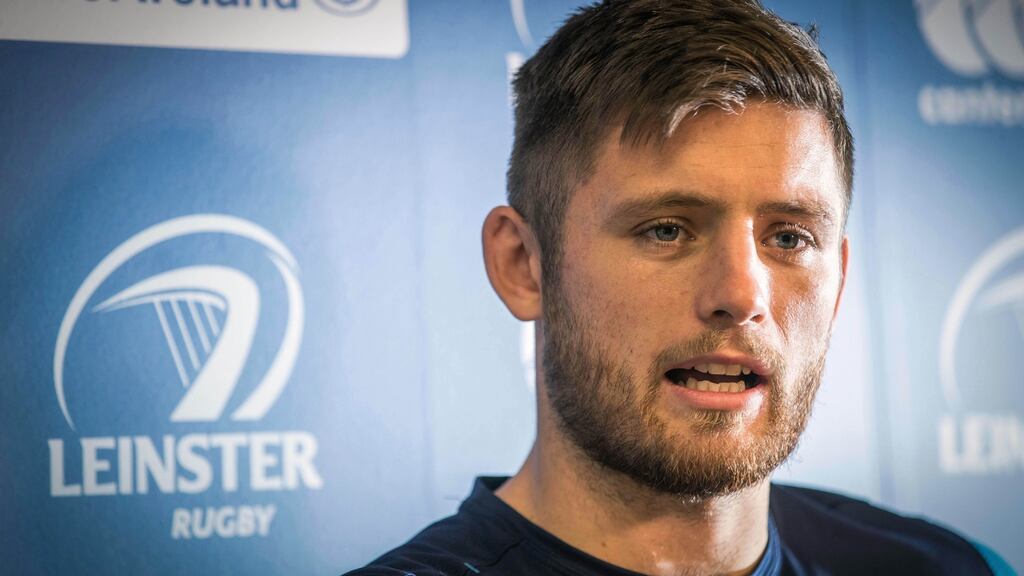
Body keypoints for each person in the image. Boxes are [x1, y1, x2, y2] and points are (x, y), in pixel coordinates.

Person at [348, 1, 1009, 574]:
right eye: (666, 230)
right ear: (523, 265)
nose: (740, 294)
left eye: (788, 238)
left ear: (836, 285)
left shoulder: (953, 567)